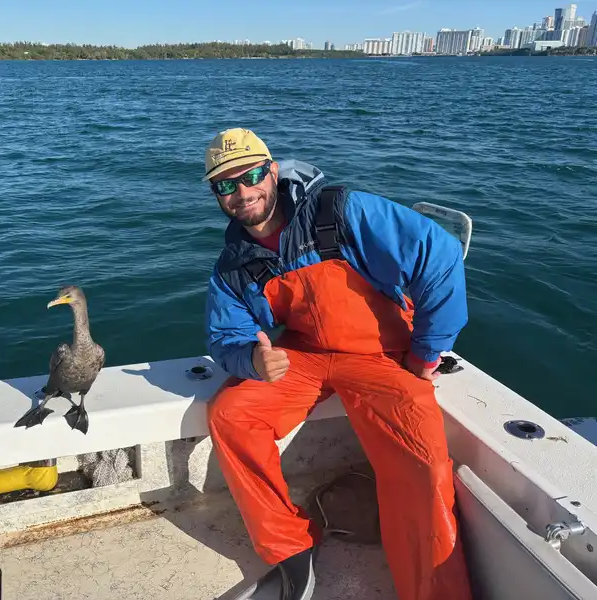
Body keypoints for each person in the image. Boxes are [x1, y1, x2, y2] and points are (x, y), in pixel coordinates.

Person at [202, 128, 473, 600]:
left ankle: (435, 591)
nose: (243, 192)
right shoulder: (232, 264)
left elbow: (440, 254)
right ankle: (289, 547)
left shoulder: (341, 211)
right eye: (226, 184)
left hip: (384, 356)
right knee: (231, 413)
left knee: (423, 461)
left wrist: (427, 353)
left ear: (271, 171)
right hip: (302, 358)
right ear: (216, 194)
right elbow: (226, 335)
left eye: (250, 176)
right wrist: (251, 359)